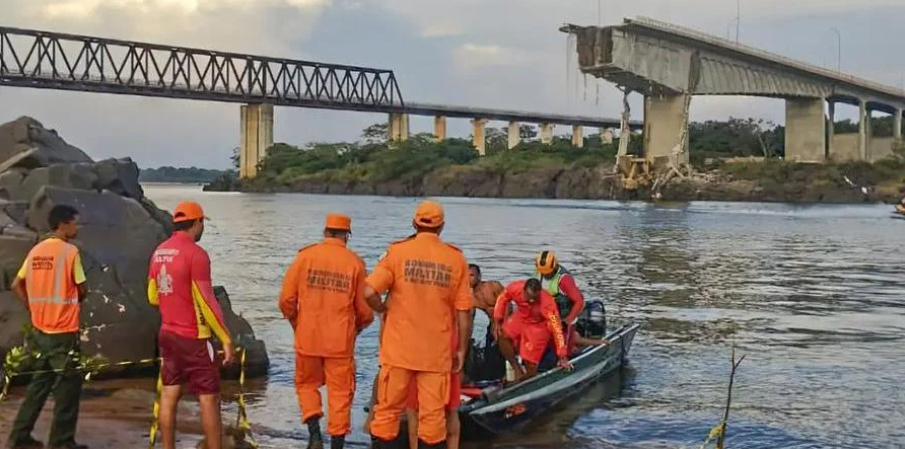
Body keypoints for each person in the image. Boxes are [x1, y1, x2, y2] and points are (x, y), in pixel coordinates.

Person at [364, 200, 473, 449]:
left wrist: (383, 310)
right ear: (441, 227)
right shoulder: (456, 259)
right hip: (436, 354)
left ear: (414, 223)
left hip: (398, 350)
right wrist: (461, 351)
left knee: (387, 412)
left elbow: (369, 291)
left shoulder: (397, 253)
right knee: (433, 419)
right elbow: (463, 313)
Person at [278, 214, 374, 449]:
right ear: (346, 235)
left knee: (306, 385)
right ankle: (337, 445)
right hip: (340, 342)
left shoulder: (304, 257)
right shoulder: (355, 263)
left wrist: (297, 324)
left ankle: (314, 435)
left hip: (307, 337)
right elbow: (365, 310)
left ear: (325, 232)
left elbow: (286, 300)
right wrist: (358, 328)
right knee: (340, 394)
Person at [147, 201, 235, 449]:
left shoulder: (159, 251)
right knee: (209, 398)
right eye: (202, 223)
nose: (202, 227)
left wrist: (174, 299)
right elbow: (207, 302)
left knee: (169, 394)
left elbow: (152, 295)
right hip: (194, 337)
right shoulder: (196, 254)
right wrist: (226, 339)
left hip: (167, 333)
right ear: (196, 223)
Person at [8, 205, 88, 449]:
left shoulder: (36, 251)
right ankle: (62, 442)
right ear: (63, 224)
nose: (78, 227)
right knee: (68, 387)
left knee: (39, 385)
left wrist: (32, 307)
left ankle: (19, 436)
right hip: (62, 331)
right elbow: (82, 288)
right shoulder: (70, 252)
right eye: (75, 222)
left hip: (40, 329)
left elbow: (15, 284)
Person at [493, 279, 571, 381]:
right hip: (522, 316)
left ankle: (528, 378)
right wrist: (497, 319)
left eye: (534, 298)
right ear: (524, 291)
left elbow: (556, 328)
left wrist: (562, 355)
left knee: (529, 360)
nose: (531, 301)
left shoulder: (547, 303)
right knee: (502, 334)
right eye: (528, 297)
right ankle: (516, 368)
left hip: (539, 324)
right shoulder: (515, 288)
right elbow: (502, 298)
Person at [534, 250, 586, 342]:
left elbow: (579, 301)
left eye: (547, 272)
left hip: (563, 317)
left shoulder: (564, 279)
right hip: (547, 314)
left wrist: (567, 321)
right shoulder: (539, 272)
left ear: (554, 266)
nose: (545, 274)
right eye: (543, 272)